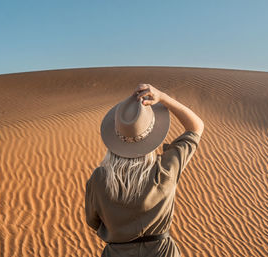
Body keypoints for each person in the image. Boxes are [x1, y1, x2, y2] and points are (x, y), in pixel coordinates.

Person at [85, 83, 204, 257]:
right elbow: (196, 127)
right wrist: (163, 97)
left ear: (114, 138)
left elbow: (93, 221)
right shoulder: (165, 169)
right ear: (151, 136)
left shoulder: (99, 178)